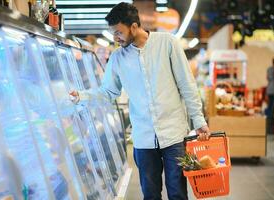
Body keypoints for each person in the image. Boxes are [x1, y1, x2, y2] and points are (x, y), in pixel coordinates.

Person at [70, 2, 210, 200]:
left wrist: (199, 121)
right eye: (113, 33)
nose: (115, 38)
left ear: (134, 26)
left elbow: (187, 85)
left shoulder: (168, 43)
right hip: (143, 138)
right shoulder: (117, 58)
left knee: (178, 193)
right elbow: (108, 91)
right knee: (150, 195)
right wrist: (82, 96)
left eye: (118, 32)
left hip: (173, 135)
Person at [266, 57, 274, 135]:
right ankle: (271, 127)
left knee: (269, 106)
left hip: (269, 89)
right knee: (273, 107)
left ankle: (268, 124)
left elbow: (267, 78)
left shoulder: (268, 69)